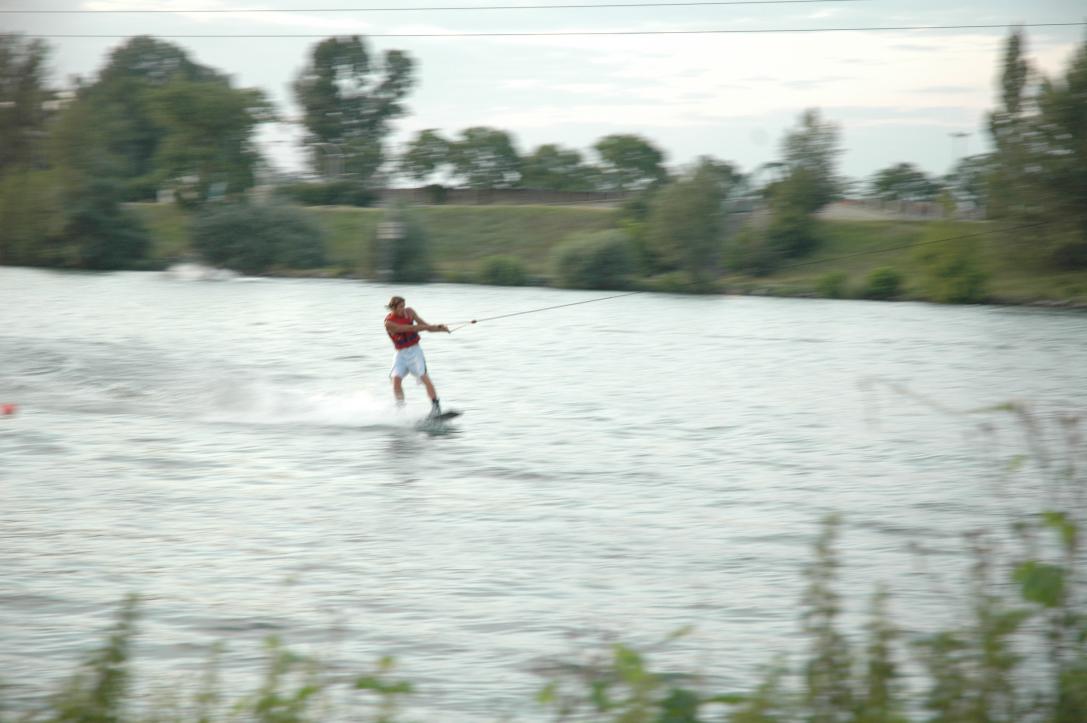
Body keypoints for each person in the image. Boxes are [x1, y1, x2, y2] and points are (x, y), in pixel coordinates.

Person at [383, 295, 449, 416]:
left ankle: (436, 407)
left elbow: (426, 326)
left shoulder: (410, 312)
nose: (403, 309)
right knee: (396, 380)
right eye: (401, 307)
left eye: (404, 305)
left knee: (424, 377)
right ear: (393, 308)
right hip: (400, 354)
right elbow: (409, 328)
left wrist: (440, 329)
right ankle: (401, 410)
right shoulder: (389, 323)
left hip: (415, 351)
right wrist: (429, 327)